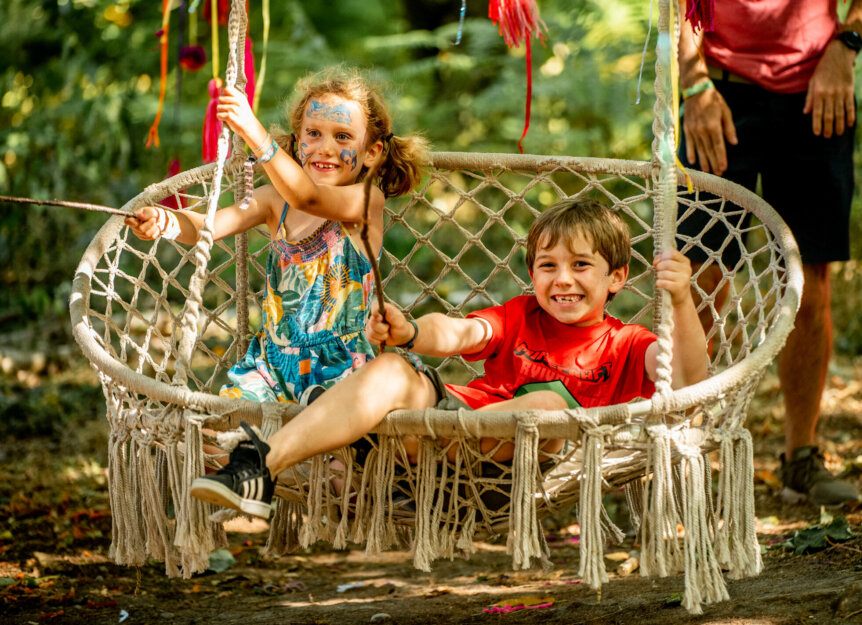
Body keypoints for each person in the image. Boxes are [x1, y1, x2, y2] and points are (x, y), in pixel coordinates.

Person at [188, 198, 709, 520]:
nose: (563, 279)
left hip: (506, 470)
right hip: (449, 427)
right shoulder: (520, 314)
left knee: (549, 402)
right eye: (548, 265)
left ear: (616, 278)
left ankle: (378, 463)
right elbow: (460, 333)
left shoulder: (628, 344)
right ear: (532, 275)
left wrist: (682, 300)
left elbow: (689, 379)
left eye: (581, 265)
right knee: (392, 370)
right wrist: (412, 332)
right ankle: (260, 467)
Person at [677, 0, 862, 505]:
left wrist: (848, 45)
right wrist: (693, 83)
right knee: (700, 281)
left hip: (818, 87)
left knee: (807, 285)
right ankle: (680, 451)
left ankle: (801, 458)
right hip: (718, 90)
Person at [125, 69, 428, 406]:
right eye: (313, 133)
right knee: (218, 431)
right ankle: (241, 452)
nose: (325, 148)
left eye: (342, 137)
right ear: (298, 144)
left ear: (371, 152)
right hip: (272, 367)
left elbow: (308, 197)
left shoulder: (366, 199)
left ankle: (315, 457)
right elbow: (205, 227)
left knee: (336, 448)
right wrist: (165, 221)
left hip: (343, 369)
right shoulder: (273, 200)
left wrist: (255, 133)